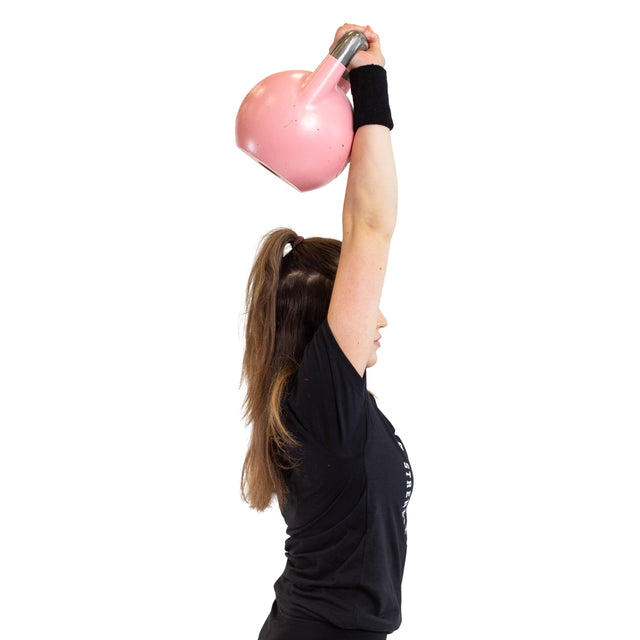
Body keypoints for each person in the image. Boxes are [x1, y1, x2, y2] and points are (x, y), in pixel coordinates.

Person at [241, 24, 413, 640]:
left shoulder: (321, 404)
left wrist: (333, 80)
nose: (381, 317)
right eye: (370, 304)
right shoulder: (322, 403)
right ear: (327, 321)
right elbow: (370, 225)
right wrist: (369, 82)